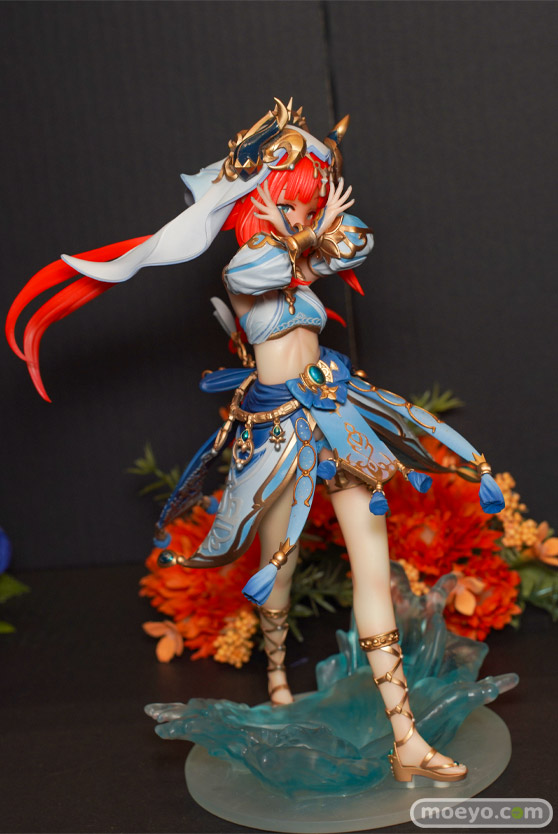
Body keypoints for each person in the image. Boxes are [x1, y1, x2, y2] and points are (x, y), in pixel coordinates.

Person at [7, 98, 505, 784]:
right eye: (288, 202)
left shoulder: (301, 253)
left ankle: (406, 737)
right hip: (278, 433)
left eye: (307, 203)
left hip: (336, 412)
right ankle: (275, 675)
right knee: (281, 561)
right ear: (256, 204)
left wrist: (318, 200)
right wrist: (304, 230)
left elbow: (358, 241)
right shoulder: (248, 266)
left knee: (372, 563)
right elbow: (265, 271)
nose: (302, 214)